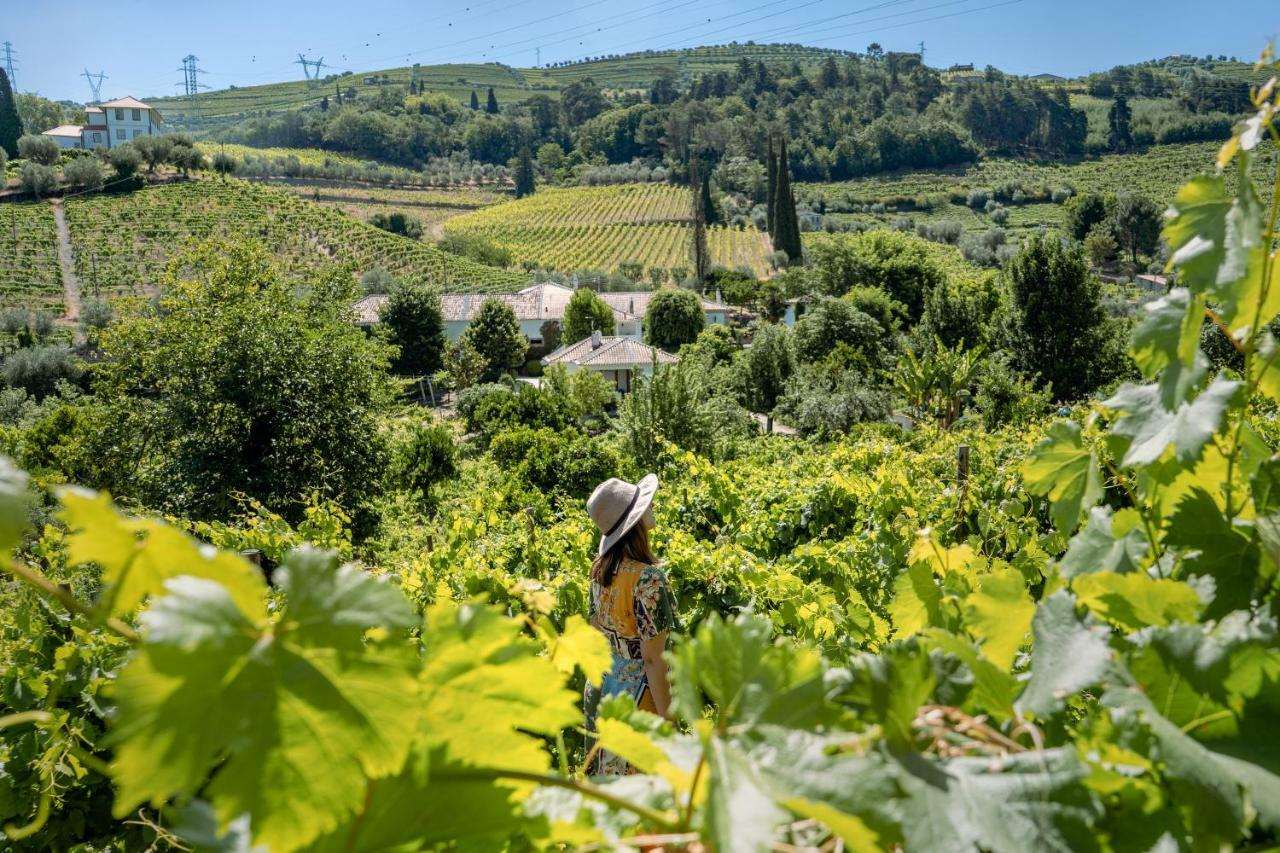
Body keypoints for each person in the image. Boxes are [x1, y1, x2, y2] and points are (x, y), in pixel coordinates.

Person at [583, 474, 678, 776]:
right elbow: (652, 659)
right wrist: (669, 721)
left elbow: (595, 631)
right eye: (644, 505)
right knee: (644, 792)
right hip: (638, 695)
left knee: (609, 791)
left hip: (603, 688)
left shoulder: (599, 570)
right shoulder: (649, 579)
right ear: (635, 523)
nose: (651, 506)